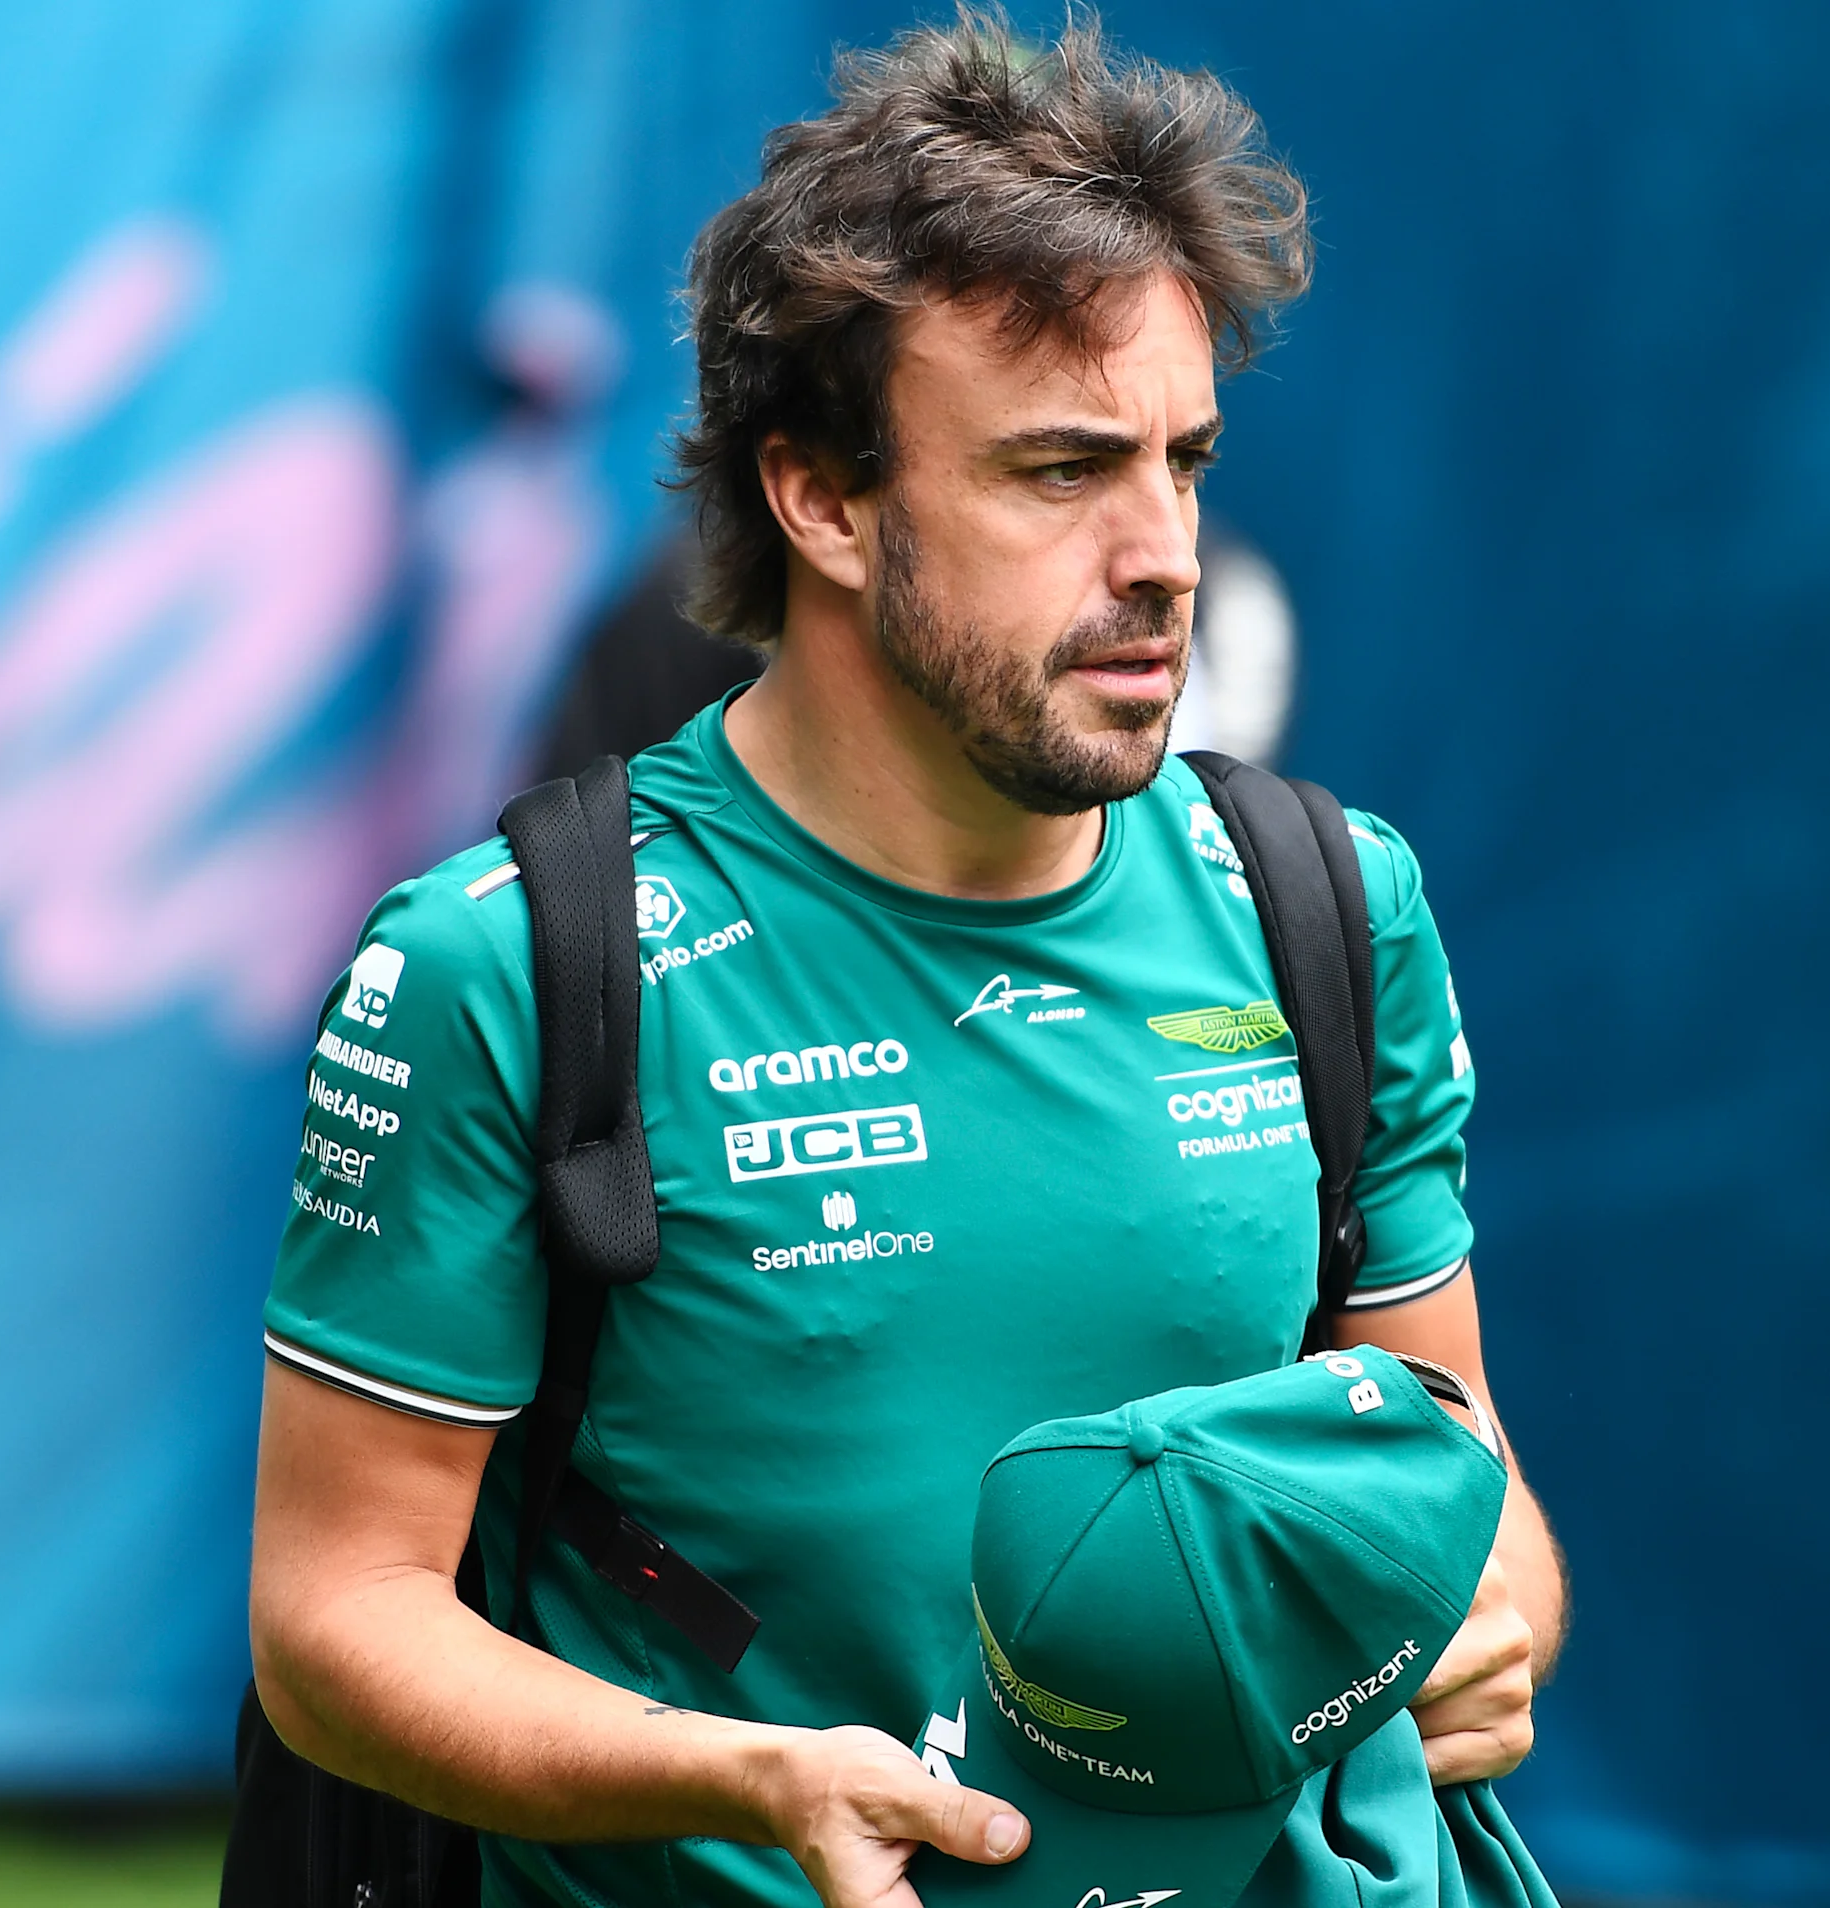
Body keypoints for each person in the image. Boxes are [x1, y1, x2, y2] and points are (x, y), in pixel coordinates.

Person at [247, 18, 1567, 1908]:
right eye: (1059, 472)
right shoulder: (515, 965)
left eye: (1183, 461)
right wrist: (751, 1778)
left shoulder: (1329, 903)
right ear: (827, 500)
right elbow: (334, 1622)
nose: (1165, 554)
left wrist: (1485, 1622)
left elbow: (1457, 1468)